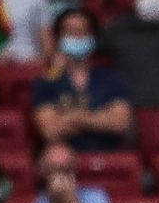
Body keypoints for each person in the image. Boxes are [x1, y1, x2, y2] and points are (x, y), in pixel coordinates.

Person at [31, 9, 132, 152]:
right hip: (64, 157)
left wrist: (74, 117)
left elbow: (120, 122)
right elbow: (50, 131)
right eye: (71, 32)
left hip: (107, 153)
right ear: (59, 38)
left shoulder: (111, 79)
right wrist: (100, 117)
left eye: (83, 31)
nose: (77, 36)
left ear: (94, 38)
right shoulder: (47, 82)